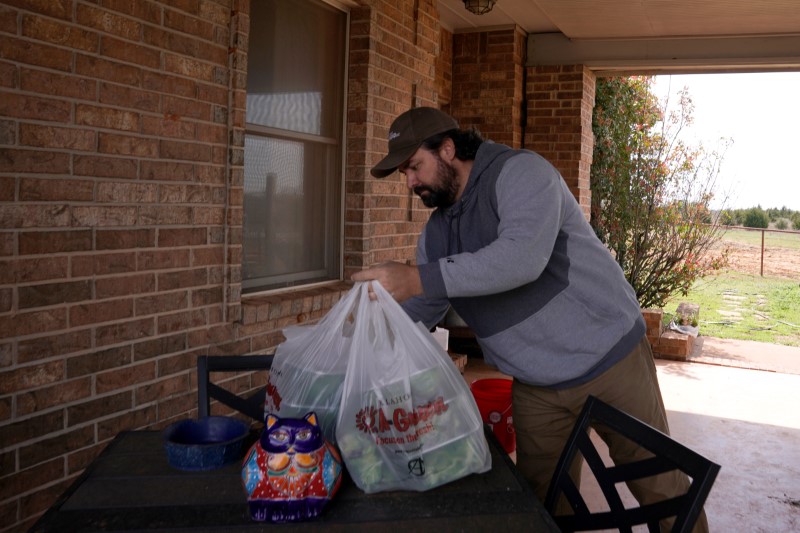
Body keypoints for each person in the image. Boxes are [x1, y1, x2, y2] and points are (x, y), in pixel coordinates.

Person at [352, 107, 708, 532]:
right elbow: (422, 305)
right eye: (404, 174)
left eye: (414, 166)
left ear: (447, 149)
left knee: (659, 488)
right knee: (542, 505)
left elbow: (522, 259)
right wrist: (360, 335)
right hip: (537, 387)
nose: (410, 182)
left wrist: (416, 277)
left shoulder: (521, 174)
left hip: (609, 360)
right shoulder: (436, 233)